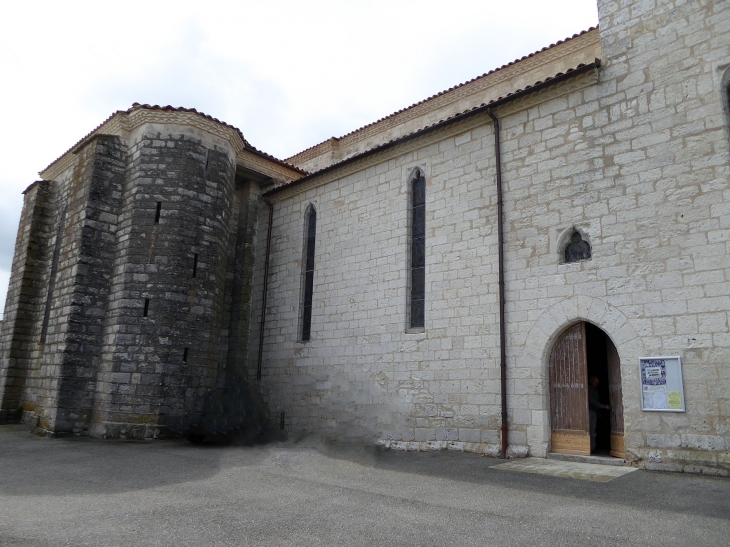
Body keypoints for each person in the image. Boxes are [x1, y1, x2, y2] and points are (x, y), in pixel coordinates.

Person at [588, 376, 610, 453]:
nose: (595, 383)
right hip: (589, 411)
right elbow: (592, 401)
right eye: (594, 381)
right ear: (591, 381)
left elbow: (596, 401)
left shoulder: (596, 390)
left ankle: (592, 448)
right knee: (589, 429)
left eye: (597, 382)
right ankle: (588, 448)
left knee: (593, 430)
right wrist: (603, 406)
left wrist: (598, 412)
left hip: (594, 411)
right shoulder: (588, 389)